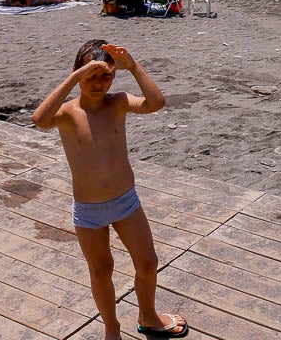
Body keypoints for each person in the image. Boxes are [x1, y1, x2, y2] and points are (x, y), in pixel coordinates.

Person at [31, 41, 188, 339]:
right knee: (101, 271)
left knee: (148, 262)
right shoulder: (66, 113)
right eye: (90, 75)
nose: (98, 83)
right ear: (77, 74)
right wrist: (76, 76)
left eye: (106, 76)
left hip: (126, 202)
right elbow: (39, 119)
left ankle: (148, 316)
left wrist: (132, 65)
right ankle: (111, 328)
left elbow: (156, 103)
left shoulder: (118, 102)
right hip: (89, 211)